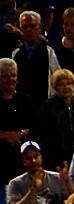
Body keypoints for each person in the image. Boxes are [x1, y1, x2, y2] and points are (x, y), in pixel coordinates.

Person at [33, 68, 74, 171]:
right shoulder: (48, 107)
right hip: (56, 159)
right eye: (61, 84)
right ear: (55, 87)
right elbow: (41, 134)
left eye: (69, 83)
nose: (66, 87)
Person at [12, 10, 60, 111]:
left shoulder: (50, 51)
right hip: (22, 109)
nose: (29, 29)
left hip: (46, 108)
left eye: (32, 26)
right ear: (20, 29)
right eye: (25, 27)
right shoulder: (16, 54)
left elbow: (58, 80)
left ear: (40, 27)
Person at [0, 57, 36, 189]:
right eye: (5, 76)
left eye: (13, 75)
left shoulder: (25, 99)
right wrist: (6, 136)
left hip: (22, 160)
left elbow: (34, 126)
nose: (10, 79)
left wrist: (20, 134)